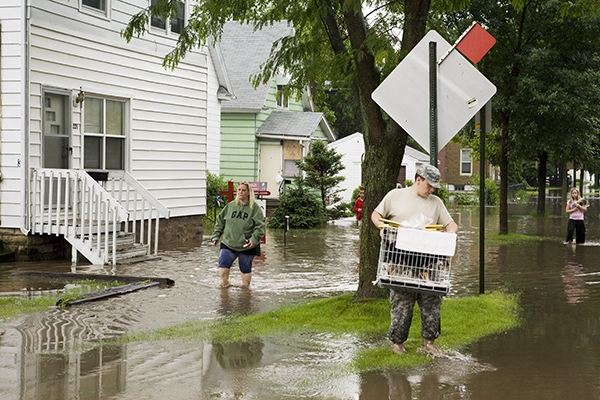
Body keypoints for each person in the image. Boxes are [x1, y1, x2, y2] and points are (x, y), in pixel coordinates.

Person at [370, 165, 458, 357]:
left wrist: (450, 232)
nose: (432, 189)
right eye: (429, 185)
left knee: (432, 303)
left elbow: (451, 224)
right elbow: (375, 215)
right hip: (400, 260)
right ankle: (397, 342)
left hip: (428, 262)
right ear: (418, 180)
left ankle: (429, 342)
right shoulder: (395, 196)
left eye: (434, 186)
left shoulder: (436, 203)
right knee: (402, 303)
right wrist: (382, 227)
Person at [211, 181, 265, 288]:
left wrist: (254, 239)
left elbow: (259, 227)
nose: (240, 192)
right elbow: (220, 221)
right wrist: (216, 235)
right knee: (223, 265)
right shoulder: (230, 206)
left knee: (245, 269)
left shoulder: (255, 209)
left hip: (246, 246)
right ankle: (225, 287)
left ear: (248, 193)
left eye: (243, 190)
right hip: (228, 243)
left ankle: (245, 292)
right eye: (239, 190)